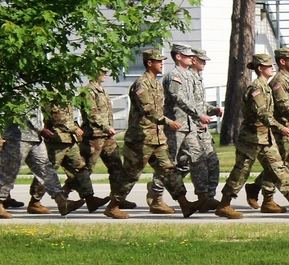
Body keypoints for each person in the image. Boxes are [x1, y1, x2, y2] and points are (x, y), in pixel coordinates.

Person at [103, 48, 200, 219]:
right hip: (140, 139)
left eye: (162, 61)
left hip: (157, 138)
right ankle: (113, 206)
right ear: (149, 63)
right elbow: (148, 110)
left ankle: (184, 204)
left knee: (169, 171)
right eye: (159, 61)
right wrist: (169, 122)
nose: (162, 64)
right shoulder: (141, 85)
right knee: (131, 175)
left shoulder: (156, 83)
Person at [214, 53, 289, 219]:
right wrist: (280, 127)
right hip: (251, 139)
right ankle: (224, 205)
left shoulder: (266, 87)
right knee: (241, 171)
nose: (272, 67)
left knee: (278, 168)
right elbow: (263, 114)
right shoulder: (256, 89)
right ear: (260, 68)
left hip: (265, 137)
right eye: (268, 66)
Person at [0, 104, 84, 219]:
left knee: (45, 168)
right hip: (18, 137)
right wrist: (41, 129)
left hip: (35, 137)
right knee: (9, 170)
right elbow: (25, 111)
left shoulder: (34, 91)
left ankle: (62, 202)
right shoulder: (19, 90)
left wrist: (40, 129)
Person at [146, 44, 201, 213]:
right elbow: (178, 98)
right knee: (169, 162)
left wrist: (203, 115)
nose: (191, 58)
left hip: (189, 125)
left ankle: (202, 196)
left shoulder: (190, 76)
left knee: (195, 157)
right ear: (178, 57)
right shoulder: (174, 76)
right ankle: (156, 194)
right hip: (175, 126)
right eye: (187, 56)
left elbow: (195, 99)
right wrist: (198, 113)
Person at [29, 98, 108, 213]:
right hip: (56, 141)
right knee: (48, 171)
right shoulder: (51, 96)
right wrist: (74, 128)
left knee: (81, 169)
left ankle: (90, 198)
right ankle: (34, 202)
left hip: (69, 140)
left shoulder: (64, 94)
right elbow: (57, 117)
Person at [77, 70, 134, 210]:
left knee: (116, 167)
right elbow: (92, 114)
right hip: (94, 136)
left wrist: (108, 129)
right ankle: (68, 196)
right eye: (102, 71)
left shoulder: (101, 90)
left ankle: (118, 199)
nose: (106, 74)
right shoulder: (88, 91)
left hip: (106, 136)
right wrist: (106, 127)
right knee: (85, 169)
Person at [189, 47, 223, 208]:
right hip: (192, 129)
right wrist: (198, 120)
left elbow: (200, 104)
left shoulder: (198, 78)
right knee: (192, 164)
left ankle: (209, 196)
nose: (204, 63)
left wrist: (213, 110)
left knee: (213, 162)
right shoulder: (187, 79)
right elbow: (184, 105)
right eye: (201, 60)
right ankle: (156, 191)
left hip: (203, 130)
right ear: (193, 60)